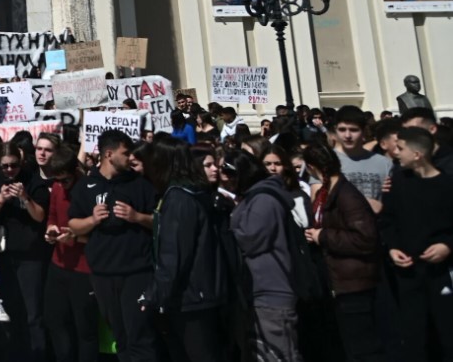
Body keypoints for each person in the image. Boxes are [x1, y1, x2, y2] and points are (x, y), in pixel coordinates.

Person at [67, 130, 159, 362]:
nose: (130, 158)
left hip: (137, 272)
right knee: (121, 336)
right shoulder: (86, 185)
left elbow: (160, 222)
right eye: (125, 153)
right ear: (108, 154)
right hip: (103, 274)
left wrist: (136, 216)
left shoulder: (140, 185)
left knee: (140, 335)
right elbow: (73, 225)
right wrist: (92, 220)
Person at [141, 137, 227, 361]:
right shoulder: (186, 193)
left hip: (191, 296)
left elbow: (174, 253)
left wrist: (156, 296)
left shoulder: (179, 198)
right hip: (195, 293)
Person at [302, 143, 386, 362]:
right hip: (339, 281)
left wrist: (323, 236)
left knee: (363, 347)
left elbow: (365, 238)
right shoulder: (326, 192)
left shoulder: (346, 195)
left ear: (311, 167)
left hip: (355, 283)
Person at [380, 127, 453, 360]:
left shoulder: (447, 184)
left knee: (447, 332)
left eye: (400, 148)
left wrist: (447, 246)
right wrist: (391, 248)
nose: (395, 153)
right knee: (413, 336)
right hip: (408, 273)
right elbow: (387, 220)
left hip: (442, 272)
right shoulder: (398, 181)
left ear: (417, 154)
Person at [229, 150, 303, 362]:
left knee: (279, 355)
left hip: (271, 292)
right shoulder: (252, 198)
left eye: (231, 173)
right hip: (258, 292)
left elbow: (251, 240)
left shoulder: (263, 200)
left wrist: (225, 233)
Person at [0, 143, 49, 361]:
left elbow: (40, 216)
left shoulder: (34, 182)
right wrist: (0, 199)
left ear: (21, 162)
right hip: (3, 254)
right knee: (7, 310)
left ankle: (37, 355)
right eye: (4, 166)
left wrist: (25, 197)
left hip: (30, 255)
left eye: (13, 166)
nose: (9, 171)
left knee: (33, 312)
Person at [43, 149, 99, 362]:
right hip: (58, 264)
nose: (61, 185)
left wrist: (75, 239)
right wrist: (50, 230)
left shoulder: (90, 190)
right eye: (57, 180)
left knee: (85, 329)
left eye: (65, 180)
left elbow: (100, 236)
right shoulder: (57, 187)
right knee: (55, 321)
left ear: (76, 172)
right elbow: (52, 216)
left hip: (83, 270)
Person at [333, 106, 392, 212]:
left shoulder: (384, 163)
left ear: (364, 131)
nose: (347, 135)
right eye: (342, 130)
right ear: (335, 130)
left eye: (353, 130)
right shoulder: (327, 161)